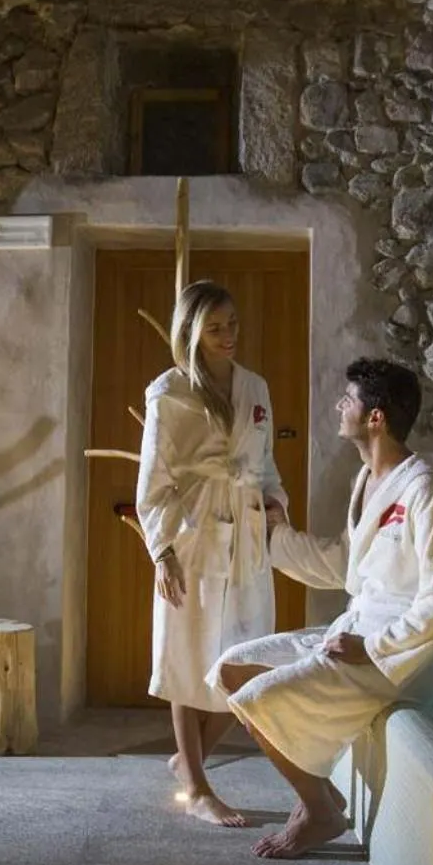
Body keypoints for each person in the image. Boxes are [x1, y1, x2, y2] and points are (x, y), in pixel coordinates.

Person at [208, 358, 433, 859]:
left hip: (403, 654)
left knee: (259, 699)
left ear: (375, 418)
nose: (338, 406)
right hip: (354, 631)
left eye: (347, 399)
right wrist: (276, 536)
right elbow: (344, 566)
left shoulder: (429, 491)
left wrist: (373, 647)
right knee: (231, 671)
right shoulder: (368, 481)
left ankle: (318, 810)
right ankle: (320, 788)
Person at [136, 280, 288, 827]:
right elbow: (154, 481)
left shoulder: (256, 387)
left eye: (233, 324)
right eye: (216, 327)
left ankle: (188, 757)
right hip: (193, 536)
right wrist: (162, 551)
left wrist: (274, 504)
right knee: (188, 653)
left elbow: (265, 460)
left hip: (246, 534)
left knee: (248, 662)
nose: (228, 336)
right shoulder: (170, 392)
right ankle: (198, 786)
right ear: (193, 332)